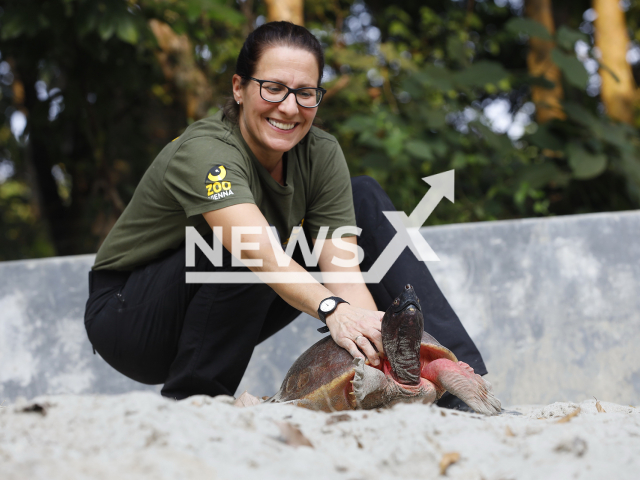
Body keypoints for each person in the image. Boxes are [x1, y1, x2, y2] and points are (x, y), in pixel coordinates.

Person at [84, 21, 487, 406]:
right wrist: (332, 310)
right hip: (128, 316)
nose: (289, 108)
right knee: (243, 242)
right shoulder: (206, 149)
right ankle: (196, 400)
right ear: (239, 88)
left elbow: (344, 274)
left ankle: (457, 380)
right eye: (273, 88)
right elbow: (259, 252)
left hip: (226, 296)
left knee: (362, 195)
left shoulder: (321, 153)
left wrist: (371, 345)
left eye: (305, 93)